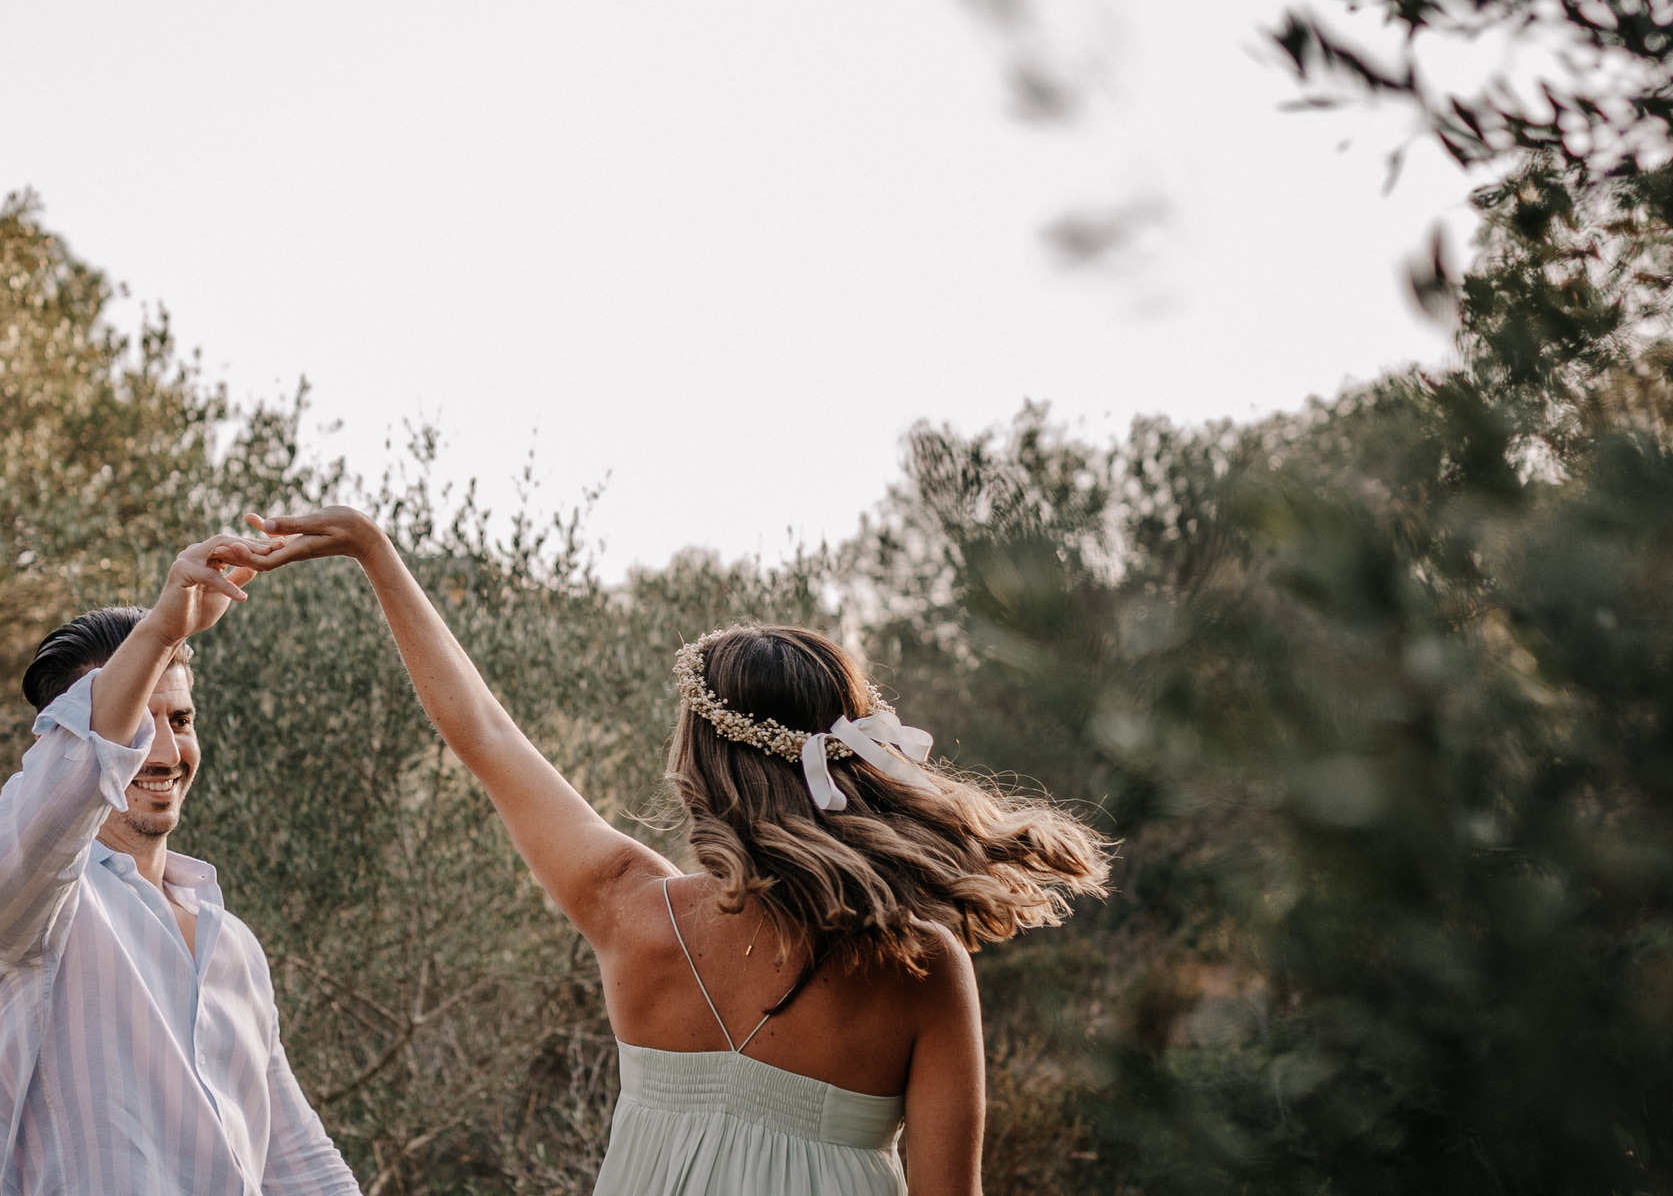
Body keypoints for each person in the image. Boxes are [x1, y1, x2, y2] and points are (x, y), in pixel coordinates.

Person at [230, 507, 1111, 1196]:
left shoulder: (629, 911)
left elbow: (486, 736)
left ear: (701, 764)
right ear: (852, 757)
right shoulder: (920, 968)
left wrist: (377, 553)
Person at [0, 535, 361, 1196]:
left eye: (181, 718)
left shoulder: (233, 945)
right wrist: (160, 627)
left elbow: (304, 1170)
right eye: (139, 725)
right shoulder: (26, 903)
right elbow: (71, 782)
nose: (166, 750)